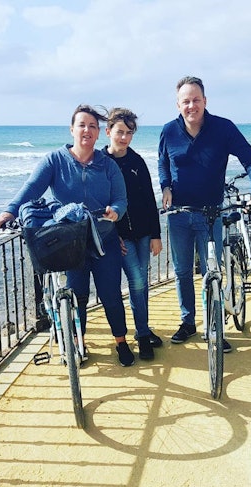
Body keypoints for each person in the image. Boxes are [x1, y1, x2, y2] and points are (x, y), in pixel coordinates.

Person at [0, 104, 135, 367]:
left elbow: (121, 199)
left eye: (92, 126)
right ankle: (77, 342)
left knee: (111, 295)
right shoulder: (55, 160)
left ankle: (121, 341)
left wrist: (115, 212)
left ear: (98, 132)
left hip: (104, 240)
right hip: (71, 241)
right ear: (72, 129)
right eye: (81, 125)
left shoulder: (108, 165)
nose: (87, 130)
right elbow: (32, 187)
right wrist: (9, 212)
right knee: (77, 295)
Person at [158, 76, 251, 352]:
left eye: (196, 100)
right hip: (179, 214)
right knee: (182, 272)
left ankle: (214, 325)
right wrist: (165, 186)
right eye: (186, 101)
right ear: (178, 104)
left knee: (212, 272)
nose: (191, 105)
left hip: (211, 213)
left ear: (205, 101)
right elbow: (163, 163)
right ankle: (188, 323)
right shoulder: (169, 131)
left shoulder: (223, 128)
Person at [102, 108, 163, 361]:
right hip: (120, 235)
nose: (124, 138)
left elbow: (150, 199)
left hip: (143, 233)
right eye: (120, 132)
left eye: (129, 133)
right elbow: (99, 202)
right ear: (108, 132)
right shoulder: (101, 163)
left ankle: (143, 330)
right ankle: (141, 333)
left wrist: (156, 234)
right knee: (137, 281)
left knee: (142, 284)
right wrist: (111, 234)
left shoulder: (136, 161)